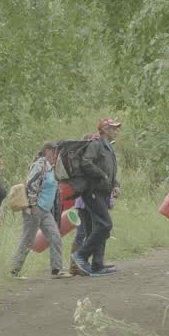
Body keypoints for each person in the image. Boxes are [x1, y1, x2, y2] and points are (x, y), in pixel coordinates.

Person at [10, 143, 71, 278]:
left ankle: (56, 270)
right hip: (34, 210)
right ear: (47, 151)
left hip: (45, 211)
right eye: (54, 152)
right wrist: (33, 205)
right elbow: (32, 183)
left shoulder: (51, 168)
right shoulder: (40, 165)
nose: (56, 155)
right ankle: (13, 271)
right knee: (27, 240)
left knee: (55, 236)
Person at [70, 118, 122, 276]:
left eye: (116, 128)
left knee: (103, 227)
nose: (116, 131)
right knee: (105, 225)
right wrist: (102, 175)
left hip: (101, 192)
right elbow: (86, 163)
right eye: (113, 128)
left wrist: (115, 185)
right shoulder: (95, 144)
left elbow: (110, 169)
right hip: (92, 192)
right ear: (105, 130)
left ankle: (97, 265)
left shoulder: (108, 148)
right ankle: (81, 255)